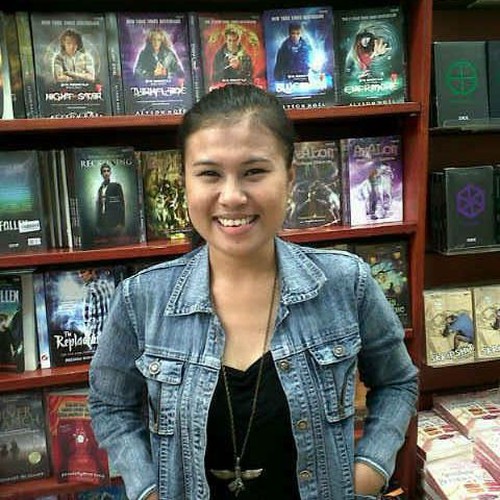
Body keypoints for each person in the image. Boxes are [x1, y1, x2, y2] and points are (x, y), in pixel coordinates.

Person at [89, 84, 418, 500]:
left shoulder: (345, 283)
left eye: (254, 172)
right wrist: (148, 490)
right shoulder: (141, 300)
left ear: (290, 177)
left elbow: (398, 382)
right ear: (185, 181)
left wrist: (369, 470)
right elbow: (111, 405)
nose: (232, 196)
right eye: (210, 174)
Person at [78, 268, 115, 348]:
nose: (80, 276)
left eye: (83, 272)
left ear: (92, 272)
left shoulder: (89, 289)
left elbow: (87, 317)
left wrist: (89, 337)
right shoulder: (108, 285)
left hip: (98, 338)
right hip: (112, 336)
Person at [95, 163, 125, 237]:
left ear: (110, 173)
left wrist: (121, 222)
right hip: (103, 221)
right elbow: (99, 207)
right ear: (101, 174)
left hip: (114, 222)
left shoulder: (116, 186)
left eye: (108, 171)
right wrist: (98, 224)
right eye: (104, 171)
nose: (106, 173)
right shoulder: (100, 189)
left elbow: (121, 204)